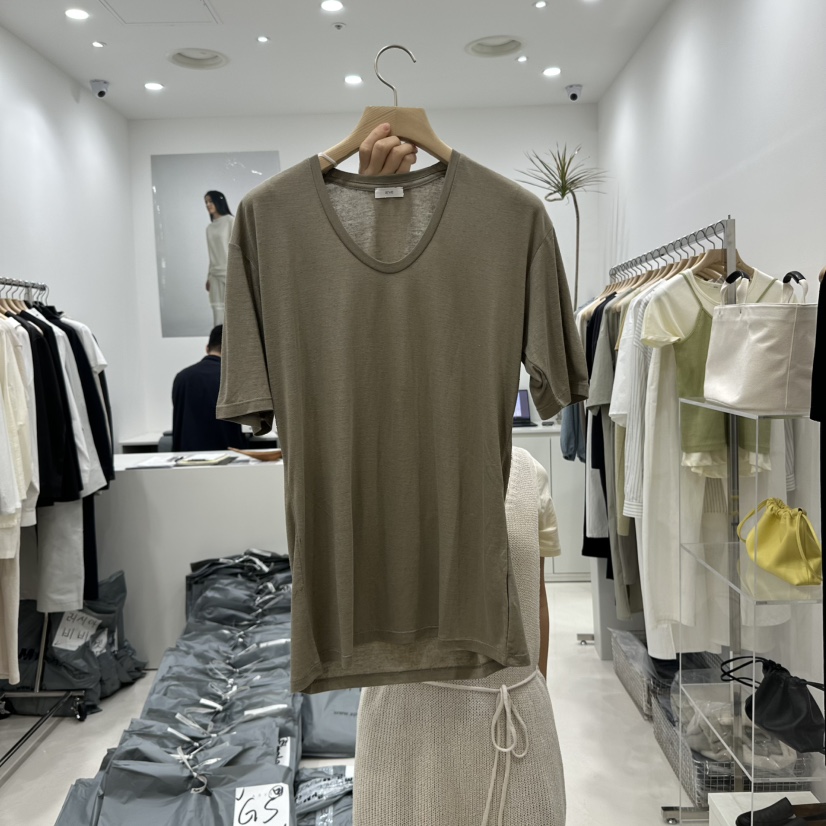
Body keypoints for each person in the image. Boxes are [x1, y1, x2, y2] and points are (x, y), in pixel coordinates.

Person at [353, 129, 564, 825]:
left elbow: (535, 606)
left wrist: (534, 689)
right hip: (401, 731)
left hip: (515, 726)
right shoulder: (367, 472)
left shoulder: (526, 473)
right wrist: (374, 213)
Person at [172, 325, 244, 452]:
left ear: (207, 348)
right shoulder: (233, 377)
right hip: (228, 455)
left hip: (186, 456)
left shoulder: (182, 377)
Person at [204, 190, 234, 327]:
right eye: (206, 202)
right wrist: (208, 276)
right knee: (218, 316)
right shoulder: (209, 228)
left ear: (218, 202)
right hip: (214, 276)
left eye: (210, 201)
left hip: (230, 275)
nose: (208, 205)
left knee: (233, 313)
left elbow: (236, 250)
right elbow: (212, 254)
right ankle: (219, 341)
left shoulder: (230, 221)